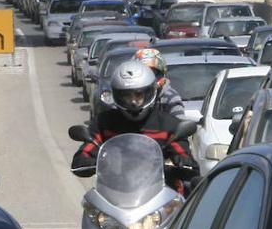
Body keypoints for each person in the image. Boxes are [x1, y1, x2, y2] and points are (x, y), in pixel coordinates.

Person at [73, 61, 197, 190]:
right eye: (126, 96)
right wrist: (92, 163)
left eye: (138, 95)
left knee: (184, 204)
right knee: (90, 205)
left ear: (150, 92)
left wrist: (180, 162)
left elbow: (187, 161)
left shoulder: (168, 125)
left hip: (162, 197)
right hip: (113, 194)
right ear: (117, 95)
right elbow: (83, 156)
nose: (133, 102)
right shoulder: (104, 123)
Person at [134, 47, 185, 117]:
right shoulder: (130, 96)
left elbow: (179, 122)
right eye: (143, 74)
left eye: (152, 73)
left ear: (161, 73)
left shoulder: (170, 97)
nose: (148, 78)